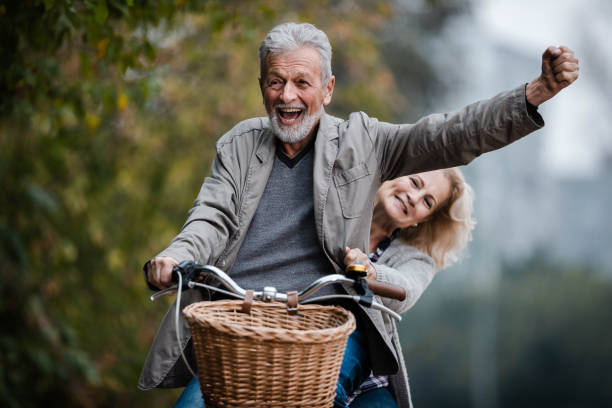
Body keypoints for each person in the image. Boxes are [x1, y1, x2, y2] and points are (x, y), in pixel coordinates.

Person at [139, 22, 579, 408]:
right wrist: (177, 255)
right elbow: (210, 215)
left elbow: (450, 134)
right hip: (239, 328)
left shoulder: (365, 143)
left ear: (328, 89)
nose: (287, 96)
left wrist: (534, 93)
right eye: (275, 82)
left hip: (323, 333)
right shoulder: (239, 144)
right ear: (261, 86)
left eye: (302, 82)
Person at [343, 167, 474, 406]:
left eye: (427, 201)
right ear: (395, 169)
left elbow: (406, 291)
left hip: (369, 377)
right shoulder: (337, 212)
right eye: (414, 182)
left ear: (422, 220)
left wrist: (372, 272)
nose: (414, 198)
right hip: (308, 342)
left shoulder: (417, 260)